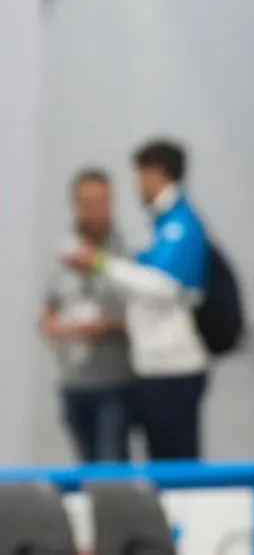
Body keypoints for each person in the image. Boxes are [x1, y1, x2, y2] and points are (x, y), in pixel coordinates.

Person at [63, 139, 211, 460]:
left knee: (175, 466)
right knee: (159, 461)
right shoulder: (158, 224)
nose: (136, 185)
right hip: (152, 366)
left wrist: (101, 263)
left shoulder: (180, 224)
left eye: (140, 176)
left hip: (173, 365)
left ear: (156, 174)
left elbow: (165, 286)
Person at [42, 168, 135, 463]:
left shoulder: (128, 252)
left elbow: (143, 316)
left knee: (111, 467)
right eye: (87, 202)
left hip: (114, 382)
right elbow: (48, 312)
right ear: (75, 203)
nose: (95, 210)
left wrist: (107, 327)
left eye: (101, 201)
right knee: (85, 468)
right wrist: (59, 328)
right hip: (74, 382)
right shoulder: (62, 256)